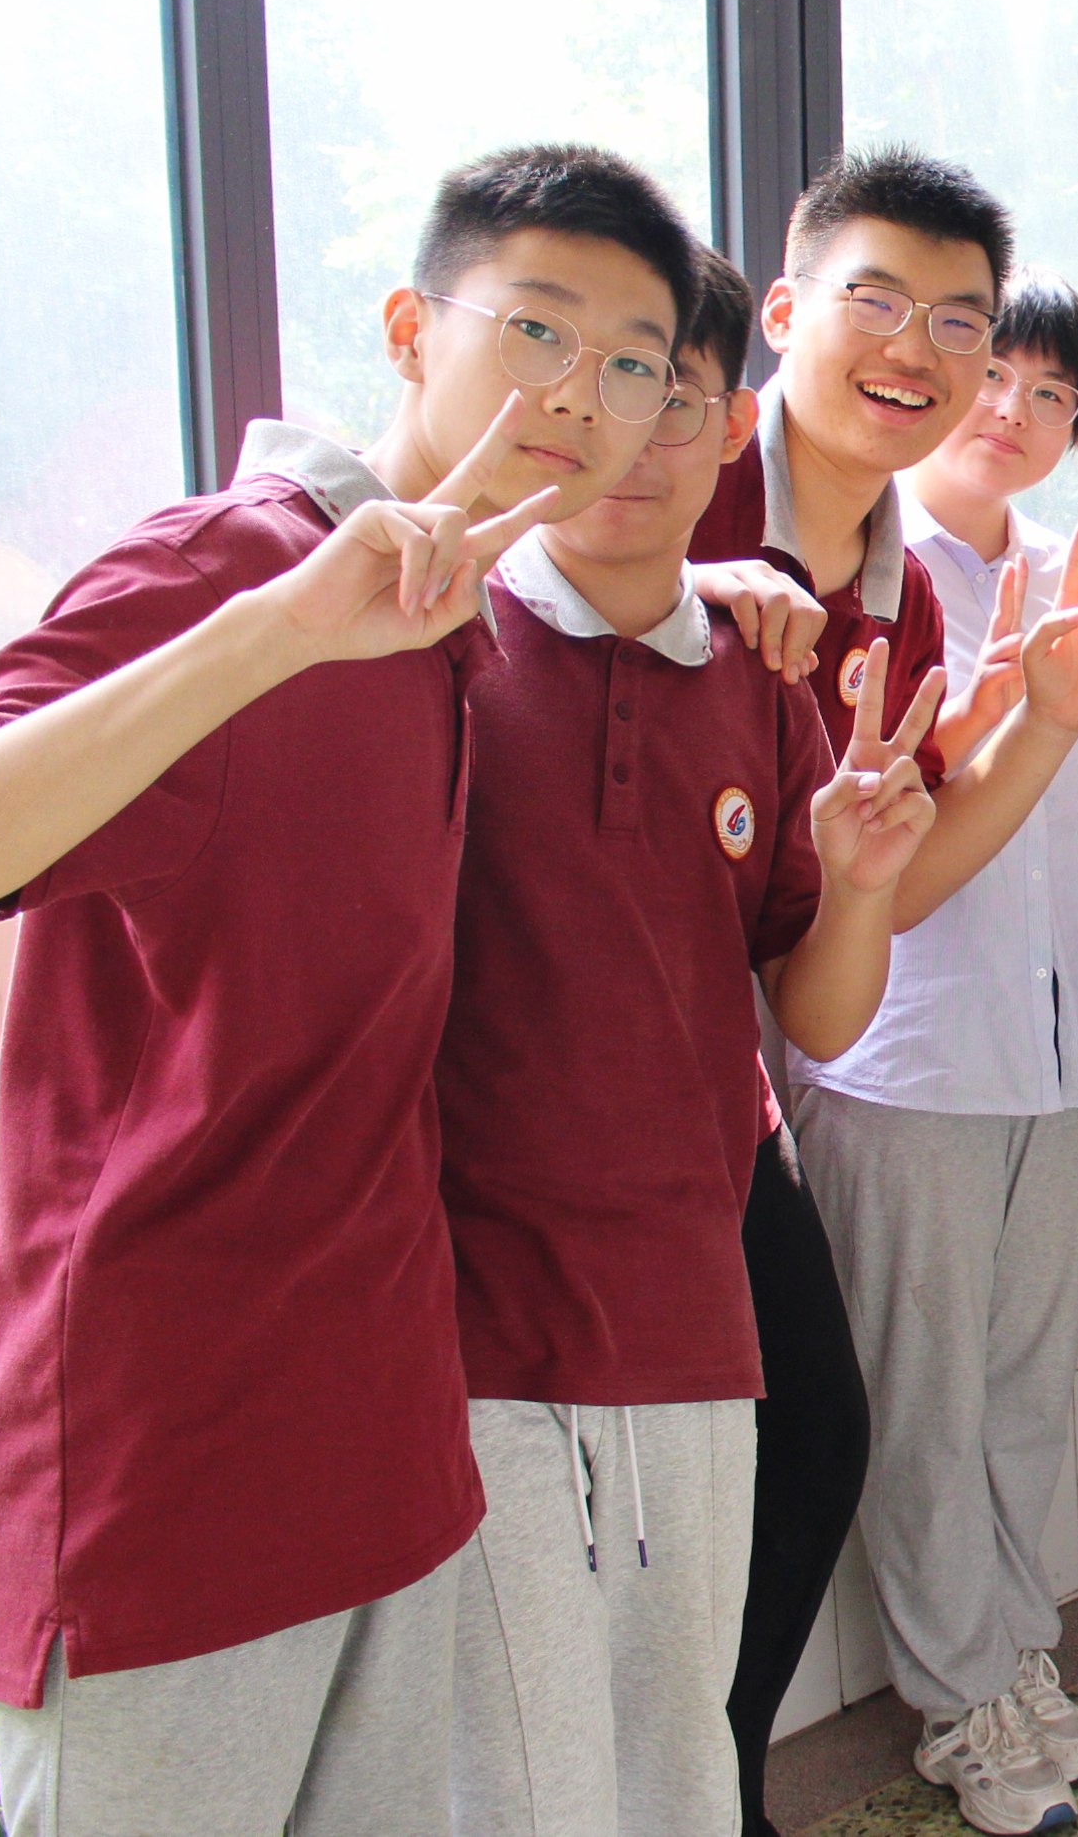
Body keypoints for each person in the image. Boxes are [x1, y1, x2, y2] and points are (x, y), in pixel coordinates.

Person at [0, 143, 694, 1831]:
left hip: (382, 1448)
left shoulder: (456, 630)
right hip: (165, 1479)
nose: (577, 393)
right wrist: (278, 630)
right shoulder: (235, 568)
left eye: (631, 364)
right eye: (534, 328)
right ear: (409, 330)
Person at [436, 238, 947, 1837]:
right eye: (589, 377)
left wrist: (861, 883)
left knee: (776, 1513)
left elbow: (816, 1009)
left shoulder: (755, 675)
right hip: (477, 1272)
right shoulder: (433, 639)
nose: (624, 433)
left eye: (669, 393)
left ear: (730, 424)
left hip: (695, 1218)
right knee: (531, 1723)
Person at [692, 146, 1078, 1834]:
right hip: (872, 1068)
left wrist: (1040, 718)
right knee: (885, 1420)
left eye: (964, 324)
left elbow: (878, 871)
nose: (944, 363)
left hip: (991, 1056)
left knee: (983, 1400)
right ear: (783, 311)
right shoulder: (690, 498)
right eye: (881, 303)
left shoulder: (916, 606)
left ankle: (1010, 1661)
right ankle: (963, 1698)